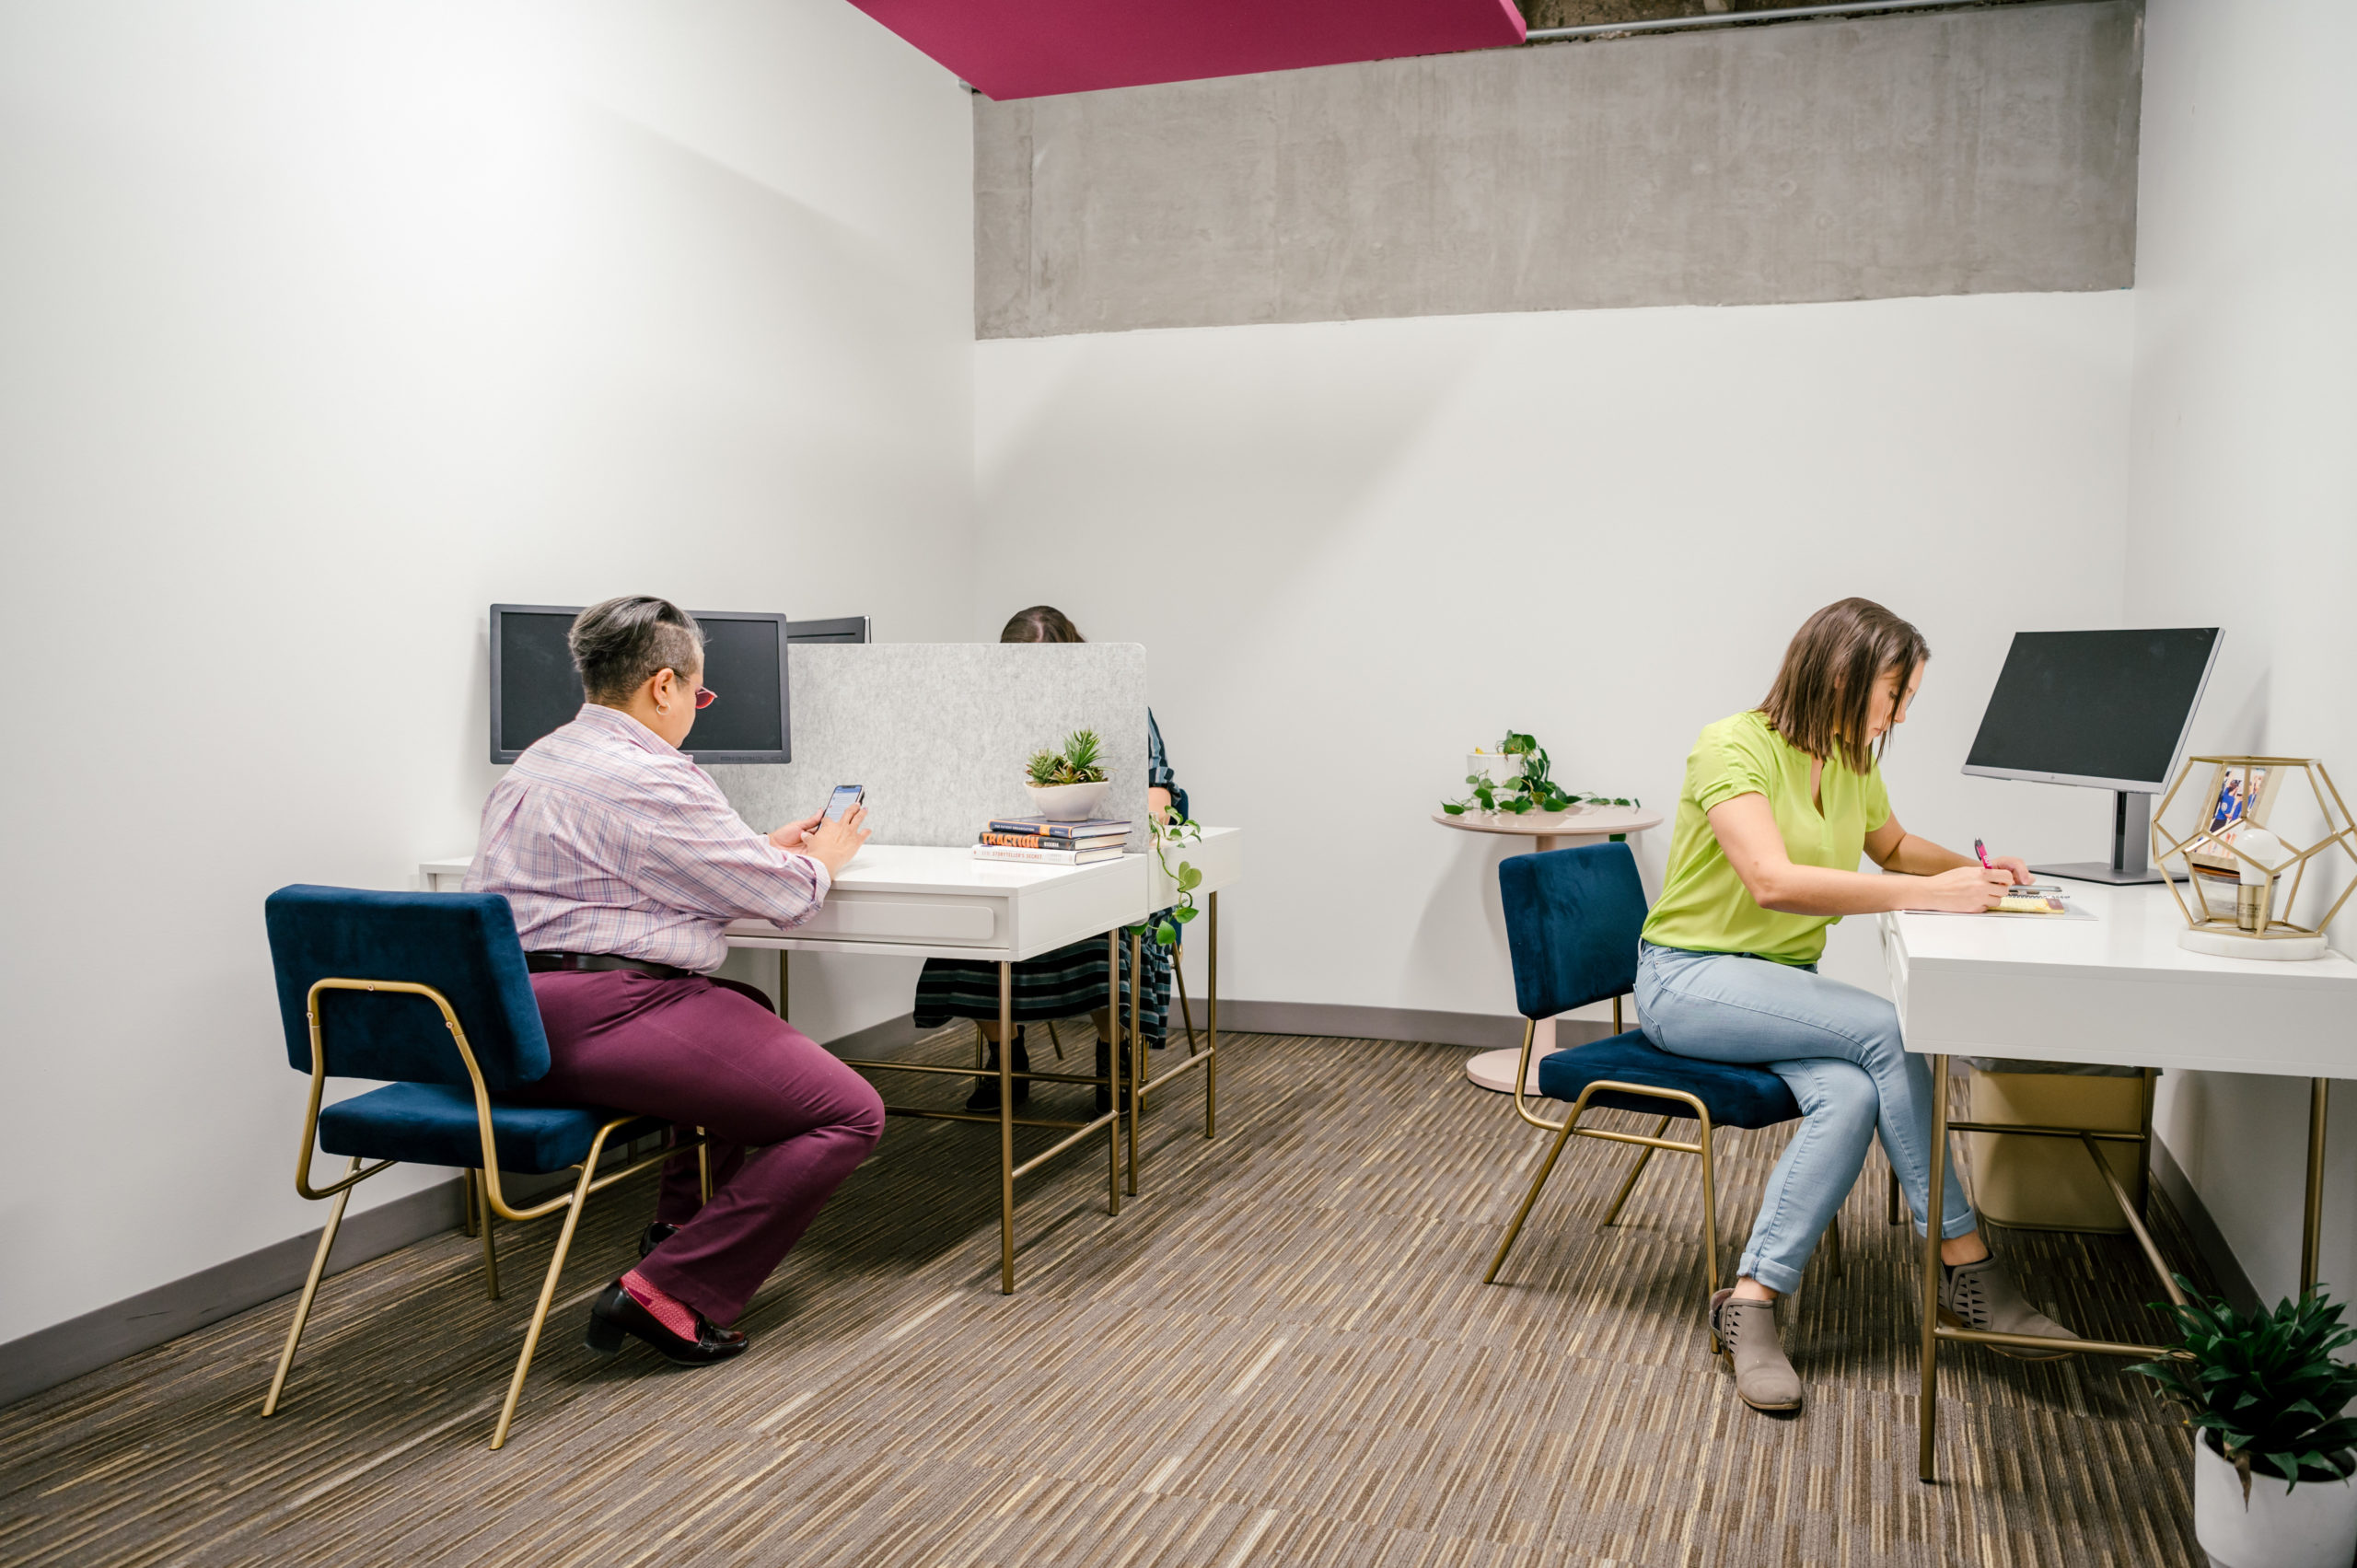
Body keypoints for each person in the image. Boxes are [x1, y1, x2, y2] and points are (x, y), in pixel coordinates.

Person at [1635, 597, 2078, 1414]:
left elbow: (1895, 847)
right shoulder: (1730, 745)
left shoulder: (1852, 759)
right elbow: (1771, 879)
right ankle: (1966, 1263)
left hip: (1776, 991)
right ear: (1841, 675)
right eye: (1895, 696)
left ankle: (1752, 1300)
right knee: (1884, 1025)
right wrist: (1930, 894)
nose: (1900, 714)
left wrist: (1984, 874)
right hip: (1689, 981)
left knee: (1851, 1094)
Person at [465, 595, 880, 1366]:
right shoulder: (655, 777)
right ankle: (668, 1290)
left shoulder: (543, 757)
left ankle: (681, 1229)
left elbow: (624, 870)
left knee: (745, 1007)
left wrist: (754, 844)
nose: (697, 708)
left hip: (508, 1014)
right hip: (603, 1014)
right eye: (699, 692)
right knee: (850, 1112)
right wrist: (824, 858)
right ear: (663, 685)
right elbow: (780, 896)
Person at [911, 605, 1186, 1113]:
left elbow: (1157, 792)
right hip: (1009, 858)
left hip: (1093, 862)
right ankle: (1006, 1058)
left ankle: (1114, 1056)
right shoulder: (987, 711)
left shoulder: (1115, 703)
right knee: (969, 937)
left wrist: (1144, 818)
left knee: (1102, 940)